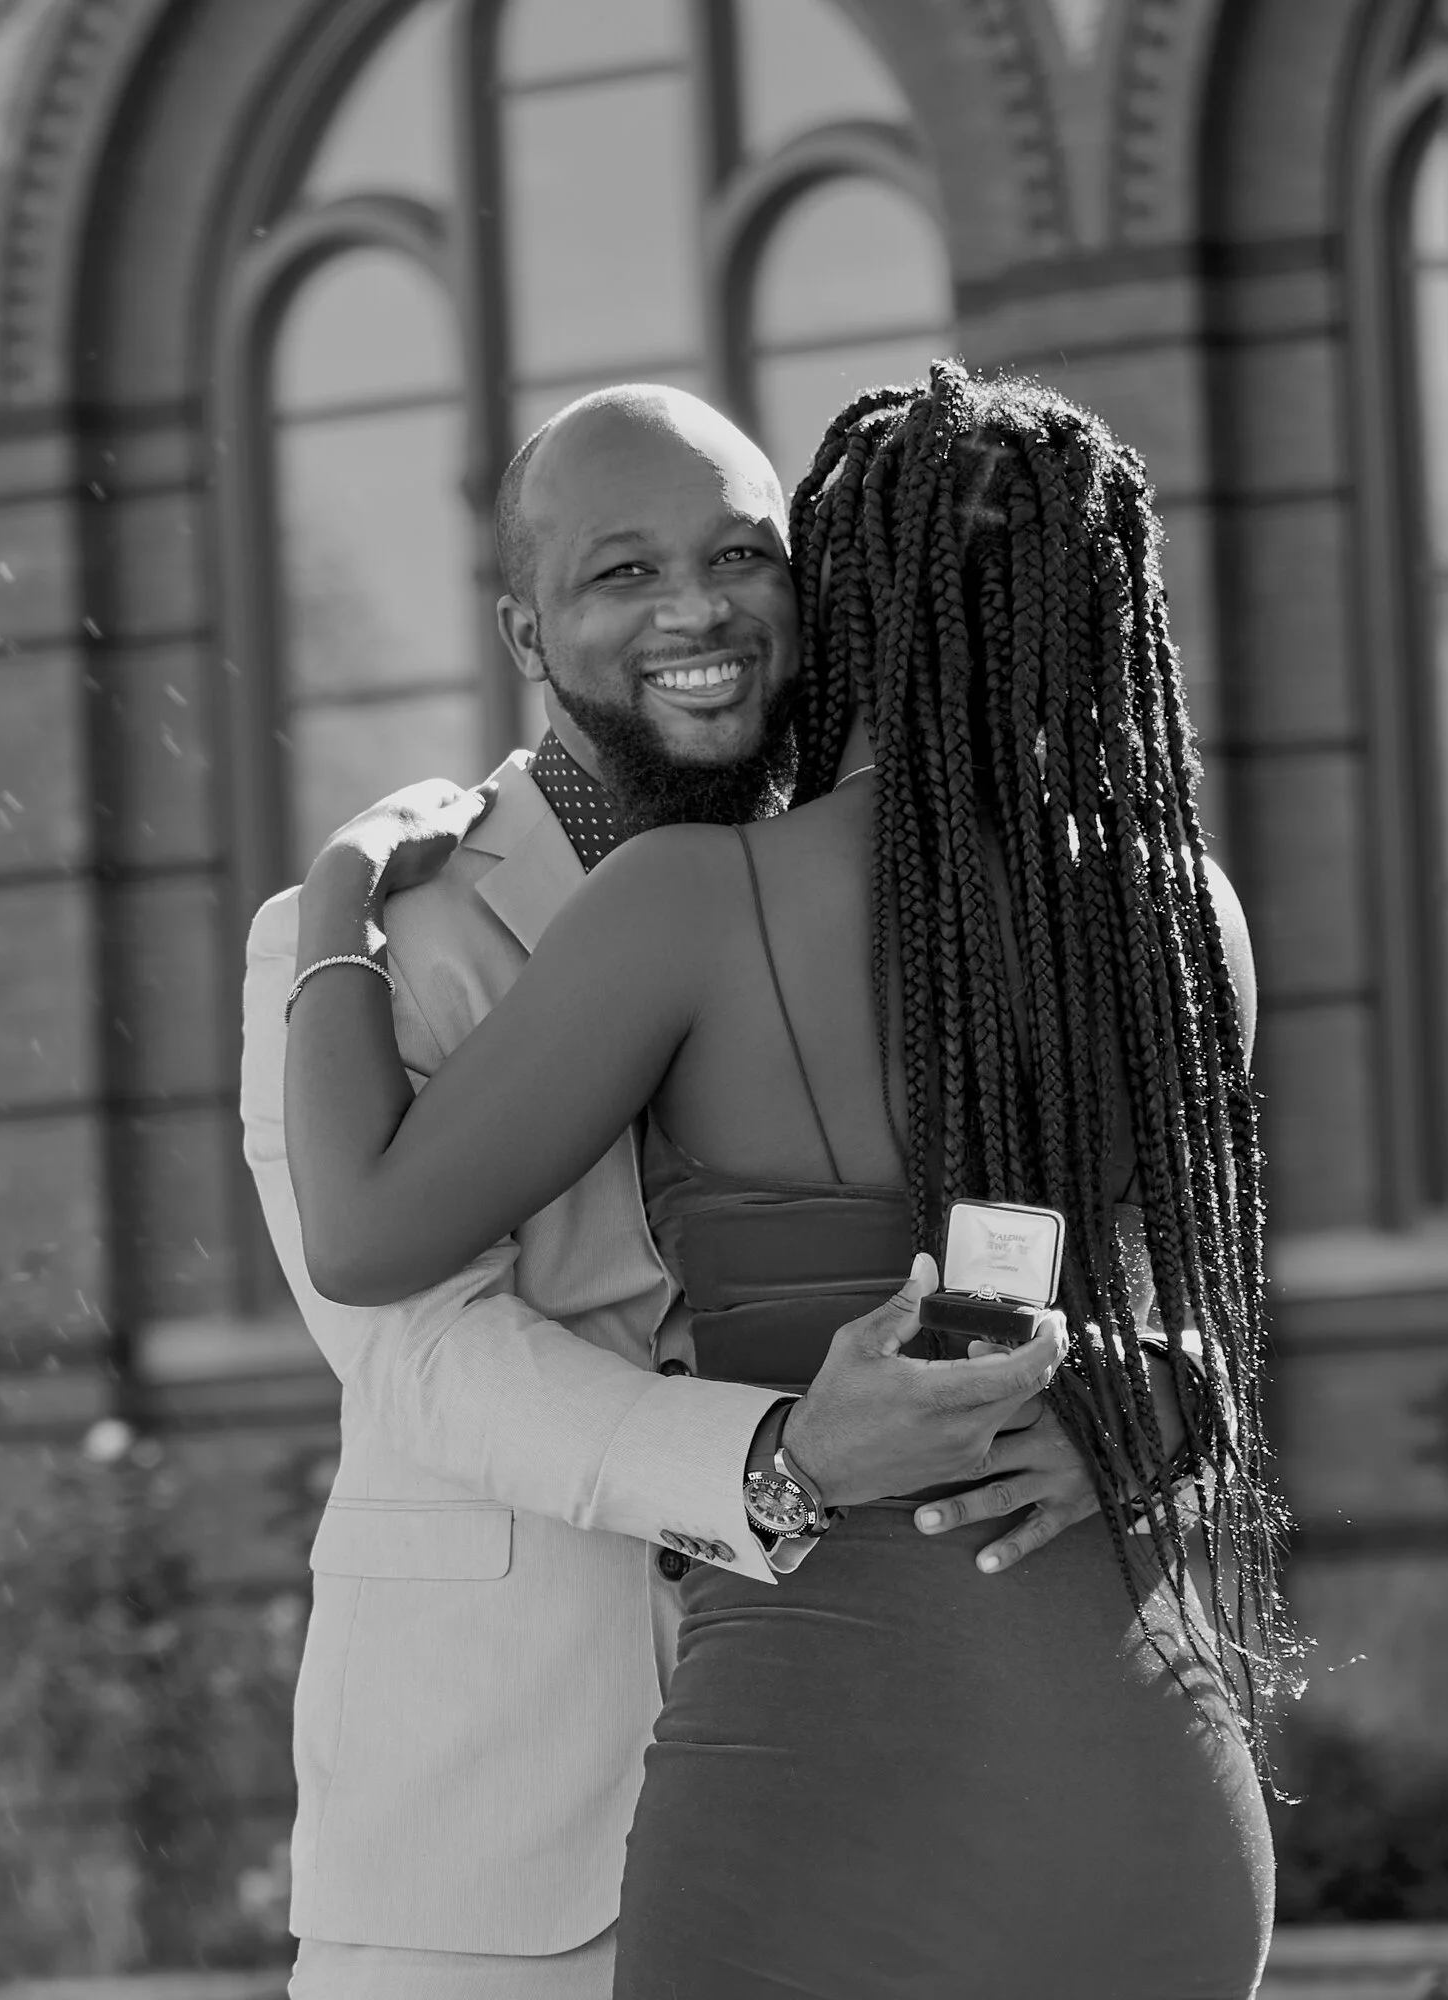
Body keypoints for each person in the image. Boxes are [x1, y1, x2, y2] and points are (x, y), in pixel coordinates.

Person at [281, 364, 1295, 1999]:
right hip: (1148, 1759)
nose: (703, 606)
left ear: (841, 600)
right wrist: (1157, 1395)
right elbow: (1168, 1296)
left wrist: (339, 899)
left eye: (752, 558)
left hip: (827, 1748)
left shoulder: (698, 898)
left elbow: (365, 1238)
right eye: (628, 569)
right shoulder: (1194, 913)